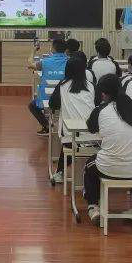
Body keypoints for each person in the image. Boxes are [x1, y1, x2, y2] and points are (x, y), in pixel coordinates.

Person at [83, 75, 132, 225]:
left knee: (89, 165)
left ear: (103, 94)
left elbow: (91, 127)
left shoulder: (101, 109)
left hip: (109, 167)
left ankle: (93, 207)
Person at [48, 56, 95, 186]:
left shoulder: (62, 85)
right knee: (76, 137)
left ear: (67, 70)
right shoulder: (91, 86)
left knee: (69, 136)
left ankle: (60, 172)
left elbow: (53, 104)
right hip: (93, 136)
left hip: (70, 138)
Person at [28, 37, 68, 135]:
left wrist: (33, 50)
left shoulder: (45, 62)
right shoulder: (70, 61)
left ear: (53, 48)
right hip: (66, 98)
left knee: (32, 106)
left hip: (47, 99)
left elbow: (30, 64)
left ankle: (47, 126)